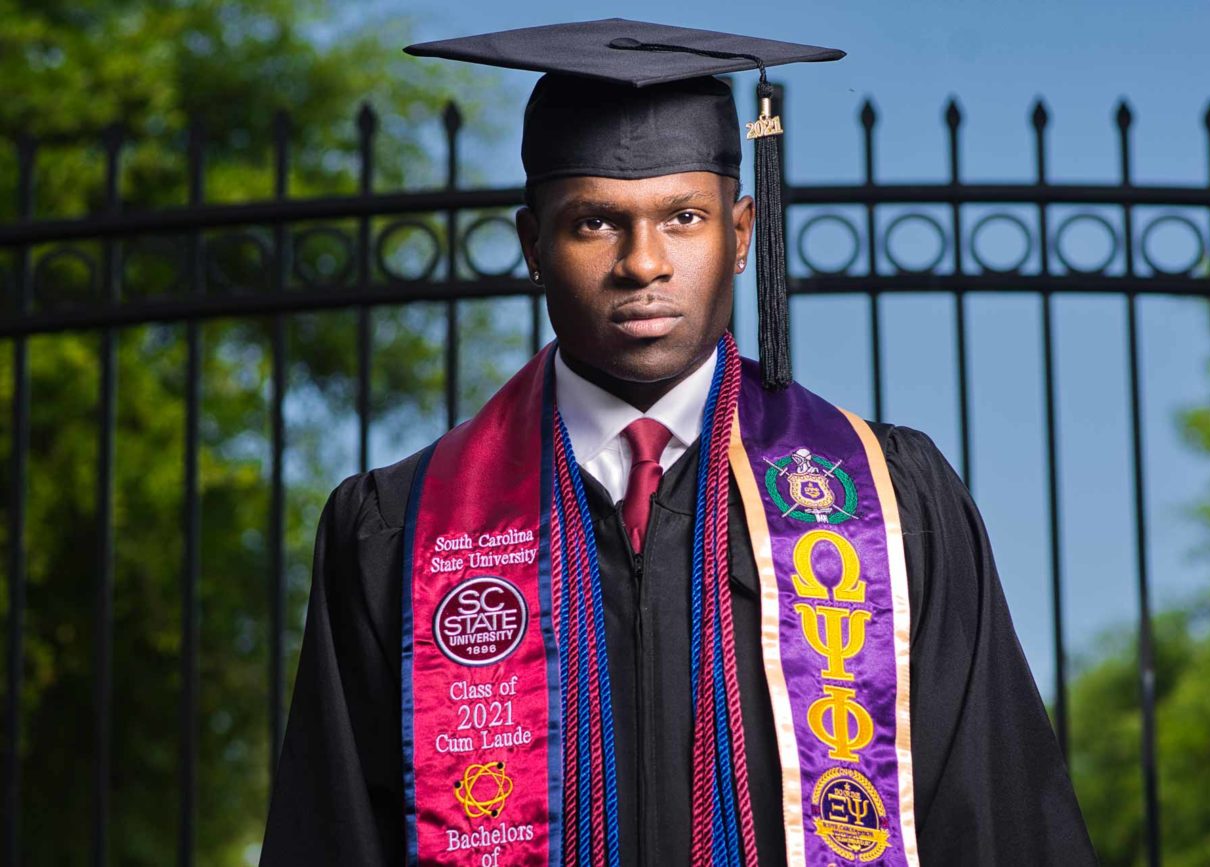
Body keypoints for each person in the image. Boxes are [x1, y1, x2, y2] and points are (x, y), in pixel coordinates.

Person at [261, 19, 1096, 867]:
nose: (643, 263)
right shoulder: (402, 528)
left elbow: (995, 820)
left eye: (684, 217)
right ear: (532, 247)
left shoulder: (889, 502)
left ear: (739, 235)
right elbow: (331, 831)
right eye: (594, 223)